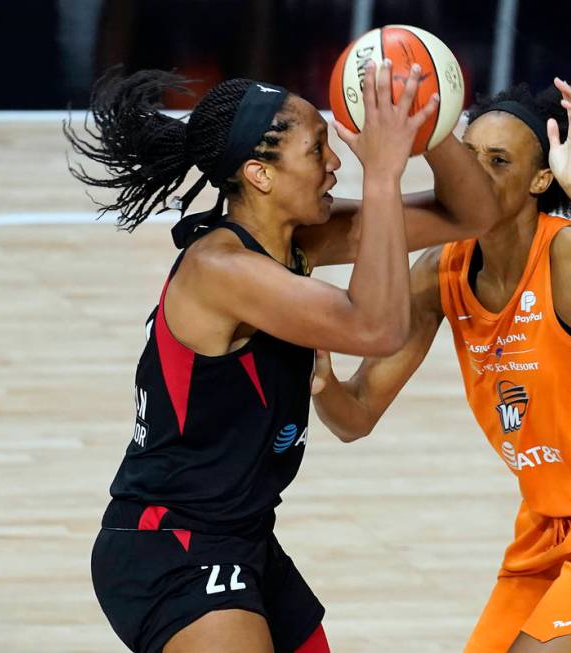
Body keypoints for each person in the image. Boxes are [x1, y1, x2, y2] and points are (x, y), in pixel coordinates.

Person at [65, 59, 499, 653]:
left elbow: (473, 214)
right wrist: (382, 174)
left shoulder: (298, 242)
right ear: (260, 174)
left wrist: (430, 120)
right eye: (317, 148)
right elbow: (376, 329)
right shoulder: (221, 270)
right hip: (171, 544)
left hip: (243, 538)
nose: (335, 163)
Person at [311, 78, 571, 653]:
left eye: (499, 161)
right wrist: (321, 379)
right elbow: (355, 417)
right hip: (547, 527)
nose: (475, 173)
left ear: (540, 179)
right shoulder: (441, 270)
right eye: (468, 155)